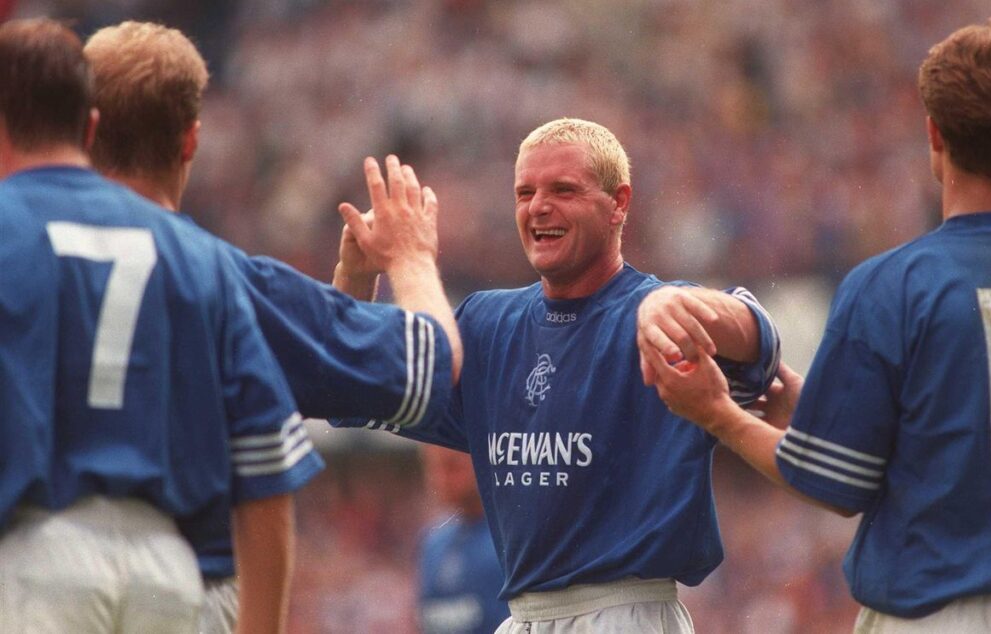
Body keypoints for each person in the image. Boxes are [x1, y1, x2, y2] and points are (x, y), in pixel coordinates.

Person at [641, 18, 991, 634]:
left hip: (935, 615)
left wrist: (717, 411)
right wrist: (827, 422)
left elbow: (830, 482)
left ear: (934, 134)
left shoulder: (890, 286)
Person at [82, 20, 462, 633]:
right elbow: (426, 365)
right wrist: (411, 256)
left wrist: (349, 288)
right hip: (173, 584)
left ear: (86, 131)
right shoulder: (225, 280)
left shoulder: (18, 251)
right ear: (191, 141)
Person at [335, 117, 781, 632]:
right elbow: (355, 387)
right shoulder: (486, 323)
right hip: (524, 616)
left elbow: (758, 335)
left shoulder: (653, 312)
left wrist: (685, 305)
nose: (538, 206)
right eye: (525, 192)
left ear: (619, 203)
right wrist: (358, 271)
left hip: (624, 614)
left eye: (563, 190)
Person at [0, 18, 323, 633]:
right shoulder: (196, 251)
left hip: (35, 556)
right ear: (88, 128)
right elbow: (266, 460)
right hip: (169, 570)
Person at [419, 445, 509, 634]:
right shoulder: (433, 544)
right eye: (433, 467)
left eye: (452, 466)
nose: (440, 479)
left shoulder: (509, 540)